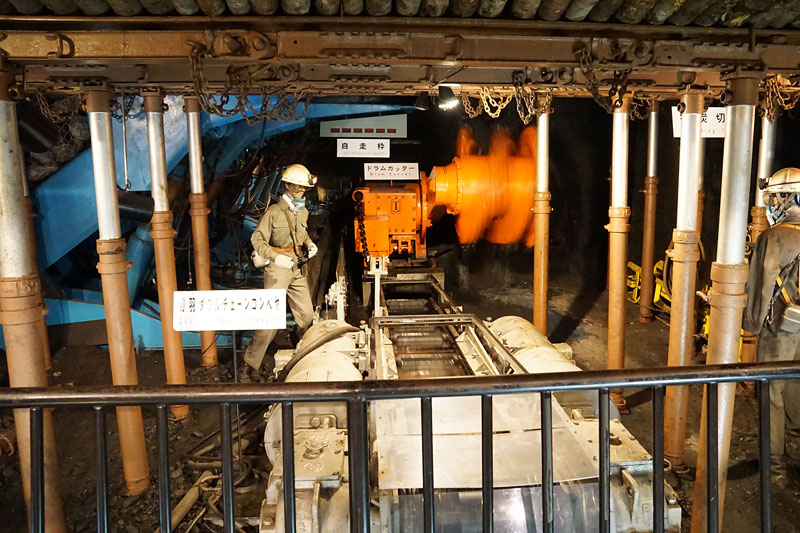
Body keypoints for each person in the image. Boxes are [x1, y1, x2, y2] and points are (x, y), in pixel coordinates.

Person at [743, 167, 800, 482]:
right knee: (796, 390)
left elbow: (761, 286)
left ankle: (774, 468)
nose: (772, 204)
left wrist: (750, 326)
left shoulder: (773, 237)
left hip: (780, 328)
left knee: (771, 394)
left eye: (775, 198)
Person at [240, 164, 319, 381]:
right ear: (288, 186)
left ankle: (298, 342)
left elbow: (301, 234)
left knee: (307, 316)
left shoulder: (302, 211)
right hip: (278, 268)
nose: (301, 191)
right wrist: (275, 257)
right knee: (270, 319)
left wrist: (309, 244)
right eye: (297, 187)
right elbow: (257, 238)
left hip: (296, 266)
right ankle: (249, 364)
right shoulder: (274, 212)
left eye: (303, 188)